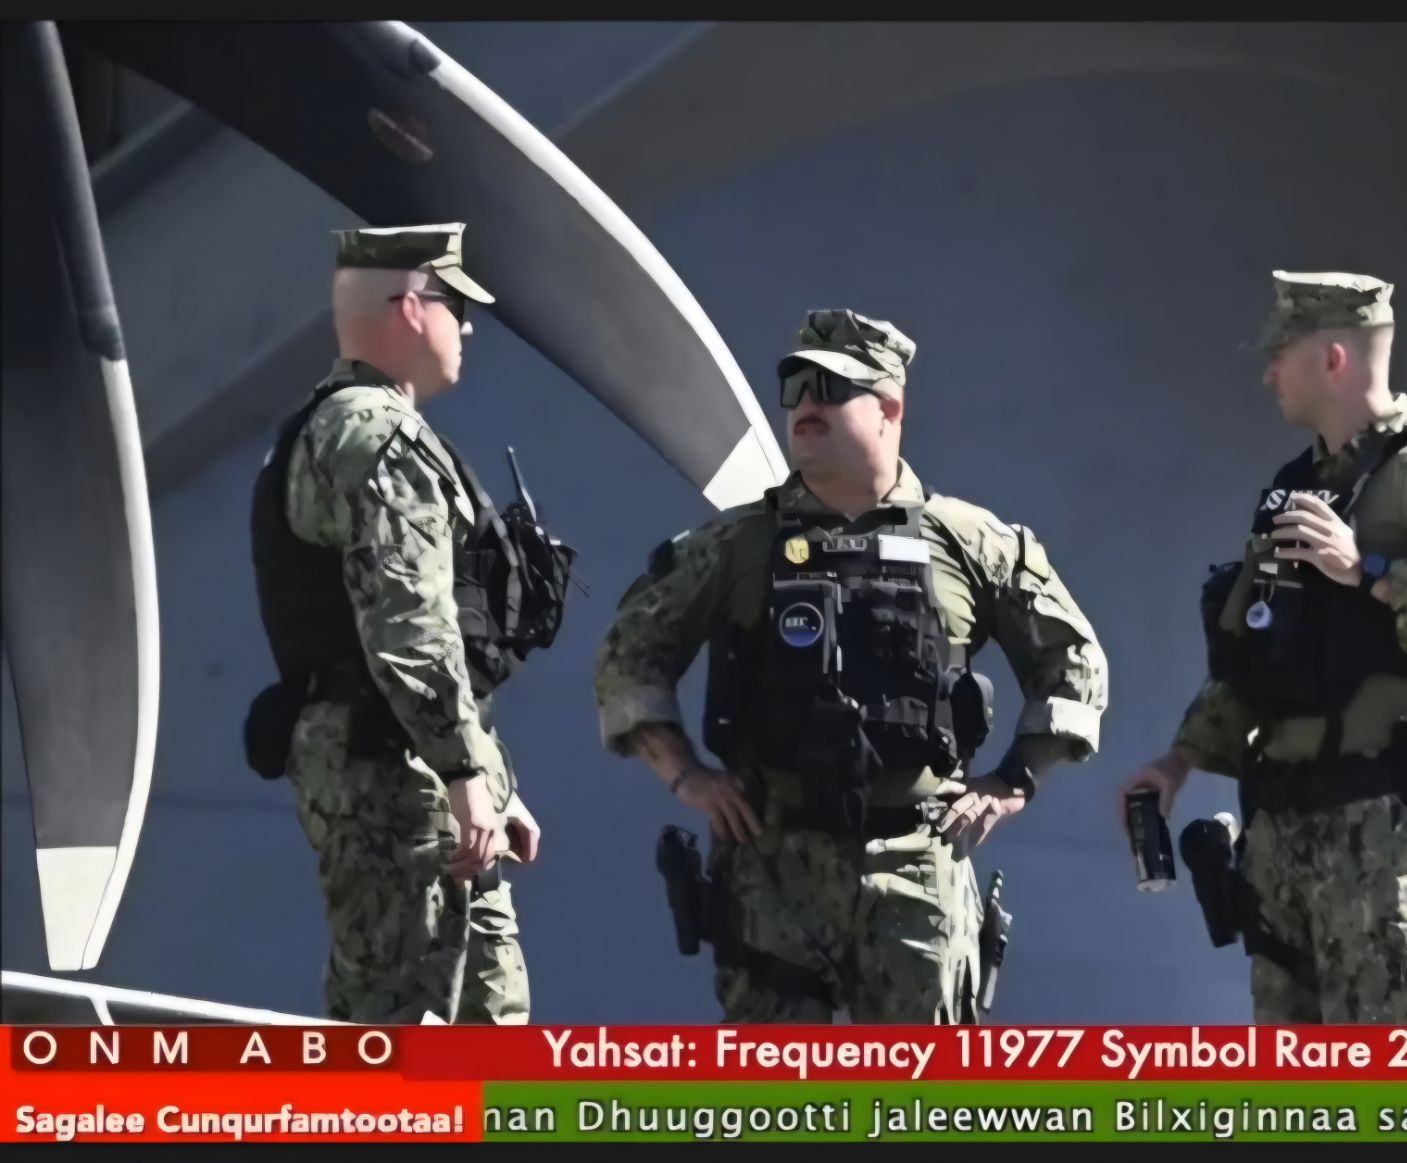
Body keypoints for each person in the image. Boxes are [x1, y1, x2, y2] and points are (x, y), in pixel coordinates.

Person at [596, 308, 1108, 1023]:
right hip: (772, 870)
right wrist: (686, 775)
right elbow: (628, 656)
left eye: (832, 388)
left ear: (890, 407)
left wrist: (1013, 781)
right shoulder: (735, 543)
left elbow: (1074, 659)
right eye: (796, 387)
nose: (806, 404)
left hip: (918, 868)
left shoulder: (970, 542)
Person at [1119, 271, 1407, 1025]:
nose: (1268, 372)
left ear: (1333, 357)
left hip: (1385, 841)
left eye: (1280, 352)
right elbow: (1258, 651)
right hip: (1283, 845)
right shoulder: (1290, 488)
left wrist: (1368, 572)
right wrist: (1178, 762)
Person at [244, 223, 573, 1023]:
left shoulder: (331, 427)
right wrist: (464, 774)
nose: (468, 328)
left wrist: (487, 779)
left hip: (403, 771)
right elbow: (409, 624)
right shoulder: (376, 437)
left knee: (484, 1019)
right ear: (411, 306)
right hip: (395, 779)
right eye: (457, 306)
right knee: (402, 1030)